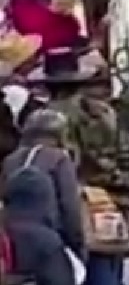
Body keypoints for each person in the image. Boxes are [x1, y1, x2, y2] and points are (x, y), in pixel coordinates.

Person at [38, 49, 129, 285]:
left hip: (69, 211)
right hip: (111, 203)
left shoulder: (45, 119)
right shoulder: (104, 113)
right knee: (110, 267)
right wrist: (120, 184)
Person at [3, 113, 84, 285]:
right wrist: (78, 244)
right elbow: (70, 207)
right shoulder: (59, 159)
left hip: (9, 237)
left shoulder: (10, 160)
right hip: (47, 238)